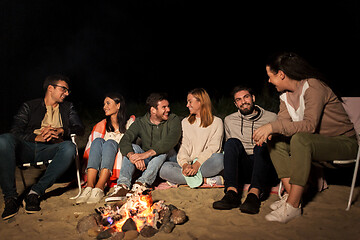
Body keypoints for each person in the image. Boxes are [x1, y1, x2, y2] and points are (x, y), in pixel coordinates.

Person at [253, 52, 358, 223]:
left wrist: (272, 126)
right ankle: (292, 198)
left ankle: (293, 206)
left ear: (281, 74)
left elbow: (309, 125)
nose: (269, 81)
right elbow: (283, 124)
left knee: (300, 138)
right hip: (318, 144)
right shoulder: (285, 97)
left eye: (270, 76)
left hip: (344, 143)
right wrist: (269, 132)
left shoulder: (314, 87)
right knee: (274, 142)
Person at [0, 74, 84, 220]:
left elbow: (79, 128)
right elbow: (15, 131)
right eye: (64, 89)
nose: (66, 93)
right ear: (50, 88)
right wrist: (35, 137)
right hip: (27, 148)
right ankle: (10, 198)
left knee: (69, 147)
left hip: (50, 149)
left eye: (68, 91)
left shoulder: (67, 107)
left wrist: (61, 131)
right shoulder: (30, 106)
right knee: (4, 139)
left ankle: (35, 192)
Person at [105, 93, 182, 202]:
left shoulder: (173, 119)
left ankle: (142, 183)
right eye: (164, 107)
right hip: (149, 161)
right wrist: (133, 156)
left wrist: (146, 154)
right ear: (153, 110)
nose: (168, 109)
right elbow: (125, 140)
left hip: (169, 159)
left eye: (168, 106)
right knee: (132, 147)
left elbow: (170, 140)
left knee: (163, 150)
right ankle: (123, 186)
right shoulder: (141, 122)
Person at [212, 86, 278, 214]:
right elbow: (232, 153)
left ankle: (254, 195)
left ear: (253, 98)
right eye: (239, 100)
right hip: (244, 168)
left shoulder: (272, 118)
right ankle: (232, 194)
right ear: (235, 104)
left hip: (265, 167)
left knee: (262, 145)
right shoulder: (229, 120)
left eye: (246, 97)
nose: (243, 102)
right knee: (231, 143)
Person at [76, 93, 135, 204]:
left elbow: (130, 143)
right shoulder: (103, 125)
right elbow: (92, 145)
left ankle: (99, 187)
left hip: (116, 153)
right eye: (104, 104)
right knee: (97, 141)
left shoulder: (130, 123)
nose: (104, 107)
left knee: (109, 143)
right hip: (103, 157)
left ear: (118, 105)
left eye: (108, 103)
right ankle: (89, 187)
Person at [159, 88, 224, 188]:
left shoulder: (217, 122)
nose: (187, 105)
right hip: (189, 165)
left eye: (190, 102)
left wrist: (197, 165)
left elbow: (214, 147)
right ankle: (206, 180)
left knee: (220, 159)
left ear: (201, 102)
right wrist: (185, 165)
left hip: (205, 163)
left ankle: (181, 180)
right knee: (164, 169)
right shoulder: (185, 122)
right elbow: (184, 146)